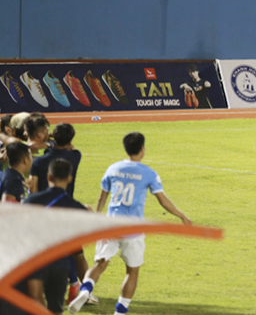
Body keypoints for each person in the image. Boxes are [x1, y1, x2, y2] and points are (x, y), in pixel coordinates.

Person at [68, 132, 192, 315]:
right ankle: (120, 311)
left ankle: (85, 290)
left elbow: (103, 197)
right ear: (142, 149)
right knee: (132, 272)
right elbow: (163, 201)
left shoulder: (113, 169)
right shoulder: (149, 173)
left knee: (99, 265)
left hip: (110, 226)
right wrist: (182, 216)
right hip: (133, 230)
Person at [23, 159, 90, 315]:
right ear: (69, 179)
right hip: (60, 264)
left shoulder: (32, 200)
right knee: (56, 309)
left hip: (36, 262)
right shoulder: (75, 206)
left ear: (48, 177)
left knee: (34, 304)